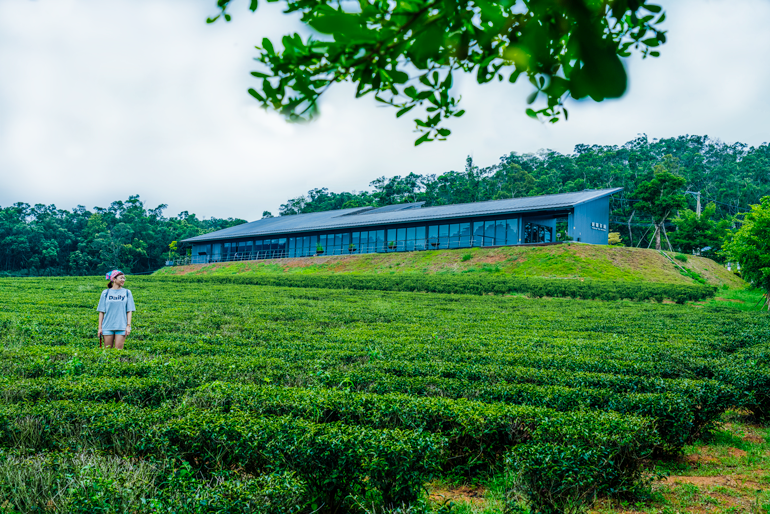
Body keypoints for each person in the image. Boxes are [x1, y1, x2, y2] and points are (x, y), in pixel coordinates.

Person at [97, 270, 136, 350]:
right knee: (108, 352)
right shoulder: (105, 293)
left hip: (121, 326)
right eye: (121, 278)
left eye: (124, 278)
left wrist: (128, 326)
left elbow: (129, 311)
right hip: (107, 326)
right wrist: (100, 328)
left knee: (118, 352)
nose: (123, 280)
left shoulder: (127, 292)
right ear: (114, 279)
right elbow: (101, 312)